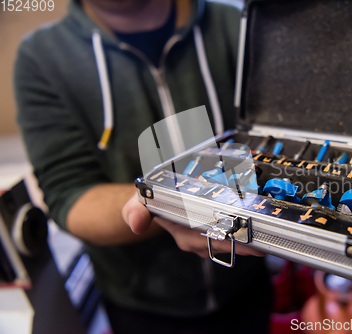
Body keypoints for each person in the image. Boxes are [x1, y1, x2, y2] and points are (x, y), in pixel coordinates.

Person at [14, 0, 272, 333]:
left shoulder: (238, 23)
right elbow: (69, 195)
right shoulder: (42, 57)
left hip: (248, 286)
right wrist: (170, 204)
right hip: (142, 307)